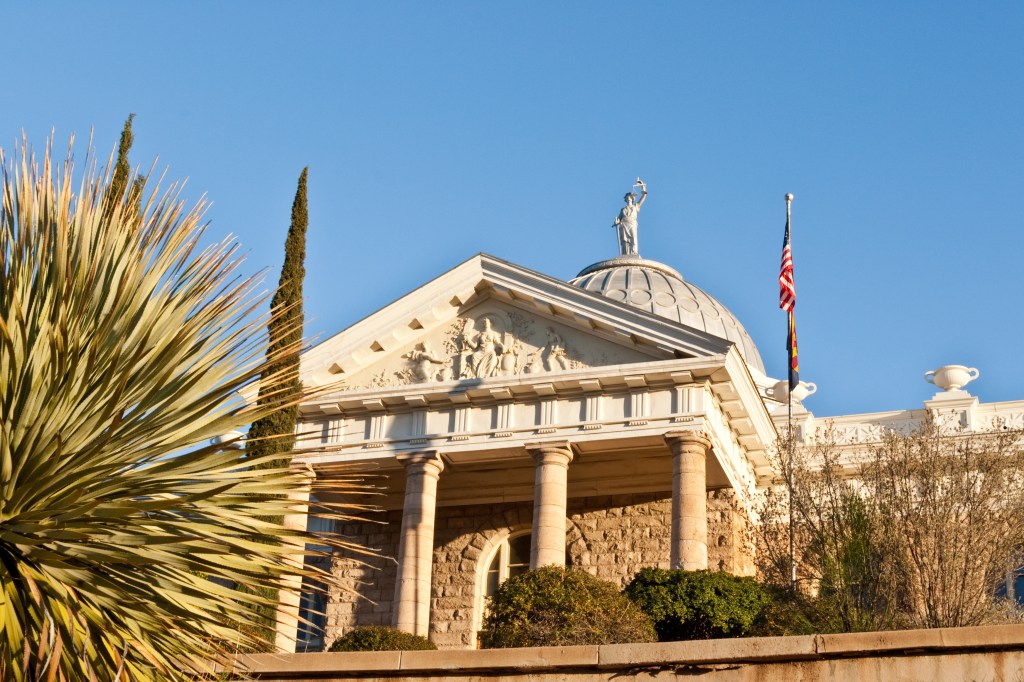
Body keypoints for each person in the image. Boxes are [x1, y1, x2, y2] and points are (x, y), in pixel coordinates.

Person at [614, 179, 647, 256]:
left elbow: (643, 196)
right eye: (627, 197)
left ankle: (634, 252)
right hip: (624, 225)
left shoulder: (636, 206)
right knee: (625, 241)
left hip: (632, 223)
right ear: (625, 199)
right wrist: (617, 221)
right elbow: (619, 218)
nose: (628, 198)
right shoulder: (623, 209)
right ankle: (626, 254)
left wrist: (643, 187)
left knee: (633, 238)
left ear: (632, 199)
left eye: (629, 197)